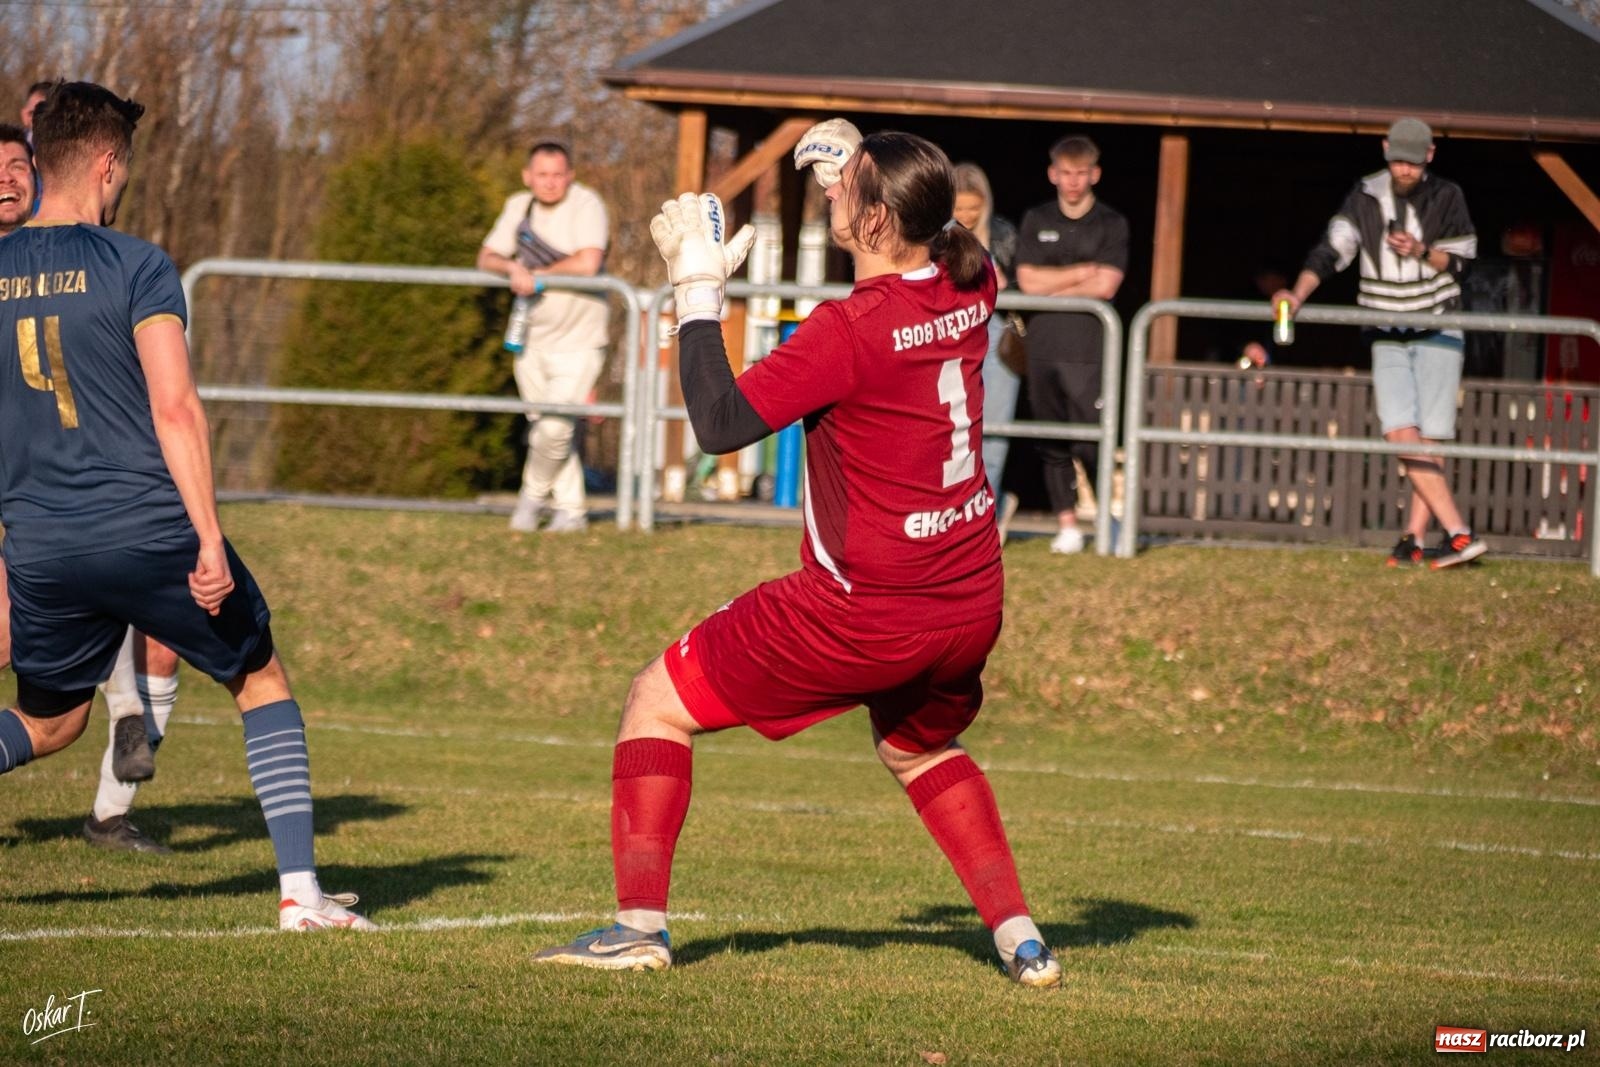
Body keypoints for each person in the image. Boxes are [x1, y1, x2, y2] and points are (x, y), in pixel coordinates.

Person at [533, 124, 1063, 989]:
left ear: (881, 216)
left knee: (655, 702)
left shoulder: (847, 329)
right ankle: (1020, 936)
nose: (835, 189)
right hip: (970, 600)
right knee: (919, 748)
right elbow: (924, 242)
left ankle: (637, 926)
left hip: (863, 605)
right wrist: (852, 166)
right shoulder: (976, 278)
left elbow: (719, 424)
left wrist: (696, 289)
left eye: (848, 182)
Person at [0, 82, 372, 930]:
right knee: (259, 676)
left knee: (50, 721)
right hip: (147, 529)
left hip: (43, 542)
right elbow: (176, 408)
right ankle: (301, 895)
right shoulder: (137, 265)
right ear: (104, 162)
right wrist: (208, 535)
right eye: (122, 165)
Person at [0, 120, 179, 853]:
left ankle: (111, 812)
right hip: (36, 514)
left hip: (65, 512)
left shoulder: (94, 266)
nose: (9, 176)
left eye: (19, 164)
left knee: (74, 705)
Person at [1273, 117, 1484, 569]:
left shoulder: (1448, 196)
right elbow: (1331, 252)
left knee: (1427, 438)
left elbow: (1466, 266)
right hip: (1386, 327)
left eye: (1412, 162)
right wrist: (1297, 293)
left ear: (1429, 156)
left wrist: (1422, 252)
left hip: (1439, 324)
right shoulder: (1365, 195)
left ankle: (1413, 538)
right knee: (1397, 429)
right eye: (1397, 161)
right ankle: (1461, 533)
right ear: (1385, 150)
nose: (1404, 170)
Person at [477, 138, 609, 534]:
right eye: (542, 175)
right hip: (531, 337)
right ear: (528, 176)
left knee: (555, 427)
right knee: (548, 428)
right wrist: (511, 269)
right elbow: (486, 256)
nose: (550, 183)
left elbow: (589, 262)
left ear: (569, 176)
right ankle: (571, 511)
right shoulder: (519, 206)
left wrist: (538, 277)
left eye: (558, 175)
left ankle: (529, 501)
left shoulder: (587, 204)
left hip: (581, 337)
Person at [1015, 135, 1128, 555]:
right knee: (1051, 438)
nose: (1074, 181)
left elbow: (1107, 284)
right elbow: (1026, 282)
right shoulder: (1035, 218)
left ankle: (1106, 520)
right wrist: (1081, 272)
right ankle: (1068, 526)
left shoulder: (1111, 223)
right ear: (1052, 174)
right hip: (1042, 345)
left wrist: (1053, 284)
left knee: (1090, 440)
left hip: (1089, 348)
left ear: (1094, 174)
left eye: (1081, 173)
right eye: (1066, 172)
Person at [953, 162, 1022, 544]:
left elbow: (1018, 283)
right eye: (958, 208)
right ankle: (958, 516)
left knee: (993, 427)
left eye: (973, 209)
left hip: (994, 332)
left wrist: (1004, 278)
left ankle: (988, 516)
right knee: (953, 429)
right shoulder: (931, 236)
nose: (965, 216)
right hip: (948, 334)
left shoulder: (1004, 235)